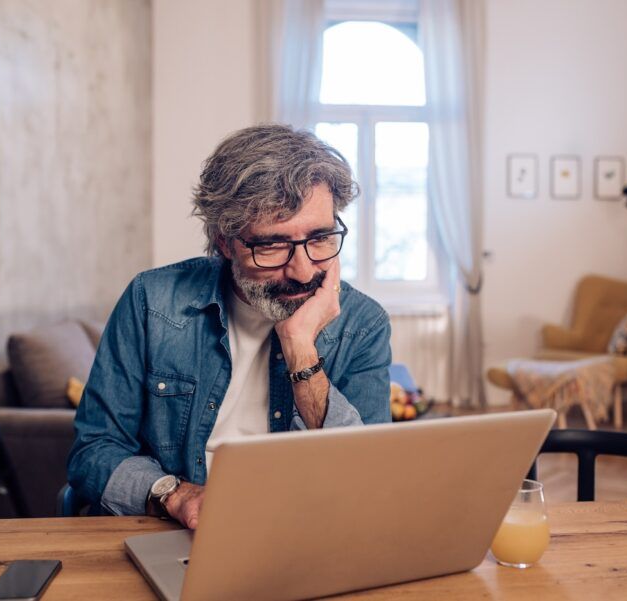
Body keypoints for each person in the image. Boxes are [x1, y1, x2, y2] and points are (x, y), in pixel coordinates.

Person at [67, 124, 391, 529]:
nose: (303, 269)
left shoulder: (364, 324)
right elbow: (93, 451)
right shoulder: (152, 301)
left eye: (321, 238)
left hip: (299, 530)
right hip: (168, 529)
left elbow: (366, 477)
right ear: (225, 242)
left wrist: (299, 344)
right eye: (272, 245)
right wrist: (176, 494)